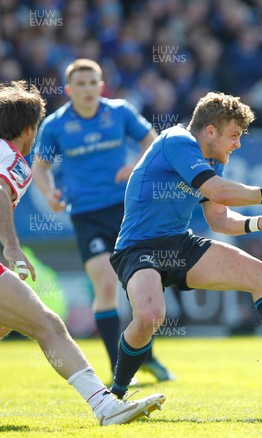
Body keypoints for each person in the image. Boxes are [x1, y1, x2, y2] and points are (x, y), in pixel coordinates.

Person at [108, 92, 262, 398]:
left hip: (179, 244)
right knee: (149, 317)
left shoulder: (212, 159)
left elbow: (219, 219)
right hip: (138, 247)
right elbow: (217, 190)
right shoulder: (176, 141)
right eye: (234, 136)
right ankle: (116, 395)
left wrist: (257, 223)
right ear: (210, 131)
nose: (238, 144)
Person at [0, 80, 164, 425]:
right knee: (48, 325)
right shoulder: (11, 158)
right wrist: (12, 247)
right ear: (30, 130)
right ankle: (106, 407)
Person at [32, 59, 173, 382]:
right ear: (69, 90)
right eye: (79, 84)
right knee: (106, 284)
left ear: (101, 85)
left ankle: (148, 356)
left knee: (140, 288)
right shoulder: (55, 125)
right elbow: (40, 167)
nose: (87, 89)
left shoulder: (119, 112)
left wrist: (134, 166)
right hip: (86, 215)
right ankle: (119, 368)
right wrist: (50, 192)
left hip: (127, 210)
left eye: (92, 82)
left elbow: (152, 142)